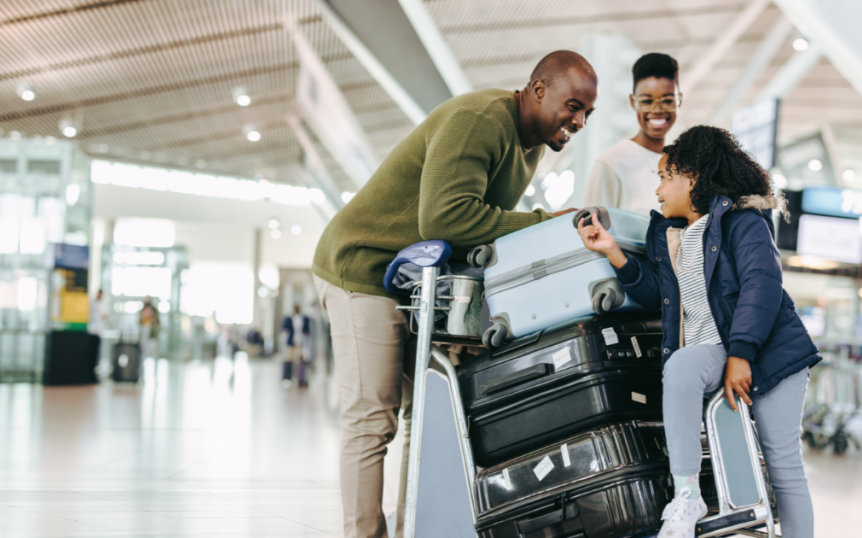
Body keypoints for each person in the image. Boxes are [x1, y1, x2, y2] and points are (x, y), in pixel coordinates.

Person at [312, 50, 597, 538]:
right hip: (363, 267)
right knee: (372, 418)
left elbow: (474, 232)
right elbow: (446, 220)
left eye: (587, 113)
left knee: (425, 417)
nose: (579, 120)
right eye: (573, 105)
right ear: (538, 89)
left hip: (412, 282)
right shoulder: (481, 120)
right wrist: (546, 222)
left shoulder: (528, 145)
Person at [578, 125, 820, 538]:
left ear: (692, 177)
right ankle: (686, 493)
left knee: (782, 464)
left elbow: (762, 284)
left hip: (773, 355)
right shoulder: (670, 235)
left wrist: (741, 355)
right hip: (714, 350)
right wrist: (613, 252)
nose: (657, 191)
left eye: (664, 178)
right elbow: (658, 294)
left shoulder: (744, 222)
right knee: (683, 364)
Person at [583, 53, 680, 215]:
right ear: (633, 102)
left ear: (679, 101)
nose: (657, 110)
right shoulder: (611, 163)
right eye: (647, 101)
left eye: (667, 100)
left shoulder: (682, 164)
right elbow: (590, 232)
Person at [281, 305, 311, 388]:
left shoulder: (304, 319)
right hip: (291, 342)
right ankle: (287, 379)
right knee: (288, 359)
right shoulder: (288, 318)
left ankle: (300, 379)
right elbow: (284, 329)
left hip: (300, 343)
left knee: (300, 361)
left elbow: (307, 330)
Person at [87, 289, 109, 370]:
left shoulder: (102, 304)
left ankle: (94, 369)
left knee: (96, 353)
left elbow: (104, 315)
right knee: (90, 353)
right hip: (91, 331)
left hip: (98, 332)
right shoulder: (92, 302)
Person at [139, 296, 160, 360]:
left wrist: (157, 325)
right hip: (145, 327)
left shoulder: (154, 310)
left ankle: (155, 357)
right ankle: (142, 357)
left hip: (152, 328)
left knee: (153, 344)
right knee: (143, 343)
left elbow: (157, 319)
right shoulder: (143, 310)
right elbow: (140, 320)